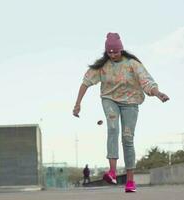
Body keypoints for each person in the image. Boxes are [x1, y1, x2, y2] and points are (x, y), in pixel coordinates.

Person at [73, 32, 169, 193]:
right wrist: (77, 104)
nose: (112, 55)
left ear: (121, 50)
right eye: (109, 52)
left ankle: (130, 181)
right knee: (112, 128)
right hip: (109, 99)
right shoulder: (103, 66)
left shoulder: (132, 63)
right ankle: (112, 171)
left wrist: (158, 94)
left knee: (127, 138)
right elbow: (85, 82)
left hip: (131, 103)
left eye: (115, 52)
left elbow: (147, 81)